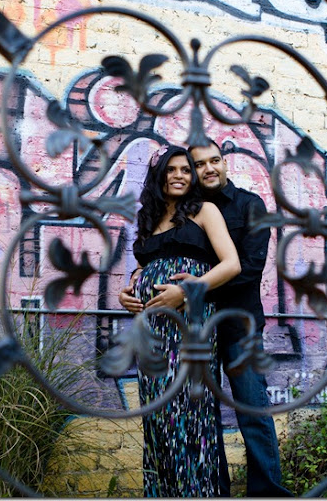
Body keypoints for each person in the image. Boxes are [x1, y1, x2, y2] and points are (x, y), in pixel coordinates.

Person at [120, 141, 292, 497]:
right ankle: (209, 490)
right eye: (197, 164)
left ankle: (267, 494)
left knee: (251, 410)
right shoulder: (168, 213)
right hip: (171, 329)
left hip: (235, 323)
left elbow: (246, 267)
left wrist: (190, 292)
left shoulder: (245, 205)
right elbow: (152, 260)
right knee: (193, 417)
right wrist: (135, 286)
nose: (206, 169)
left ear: (224, 163)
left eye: (213, 161)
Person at [128, 145, 241, 497]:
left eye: (185, 170)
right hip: (152, 331)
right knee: (158, 417)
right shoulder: (149, 220)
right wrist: (128, 291)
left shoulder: (204, 211)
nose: (179, 175)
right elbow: (145, 268)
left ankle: (197, 492)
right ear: (159, 175)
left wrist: (185, 292)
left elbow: (231, 264)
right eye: (171, 169)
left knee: (191, 413)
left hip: (190, 323)